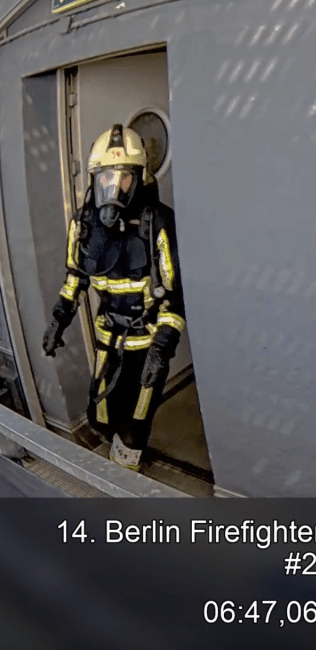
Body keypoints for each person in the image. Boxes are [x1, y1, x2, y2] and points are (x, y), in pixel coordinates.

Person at [42, 124, 185, 471]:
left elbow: (174, 298)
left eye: (124, 177)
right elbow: (75, 278)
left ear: (139, 179)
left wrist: (161, 350)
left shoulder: (158, 222)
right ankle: (113, 454)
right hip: (107, 340)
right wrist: (58, 319)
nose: (114, 186)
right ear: (95, 179)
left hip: (147, 343)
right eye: (107, 176)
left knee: (137, 421)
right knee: (102, 416)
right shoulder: (83, 224)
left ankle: (127, 471)